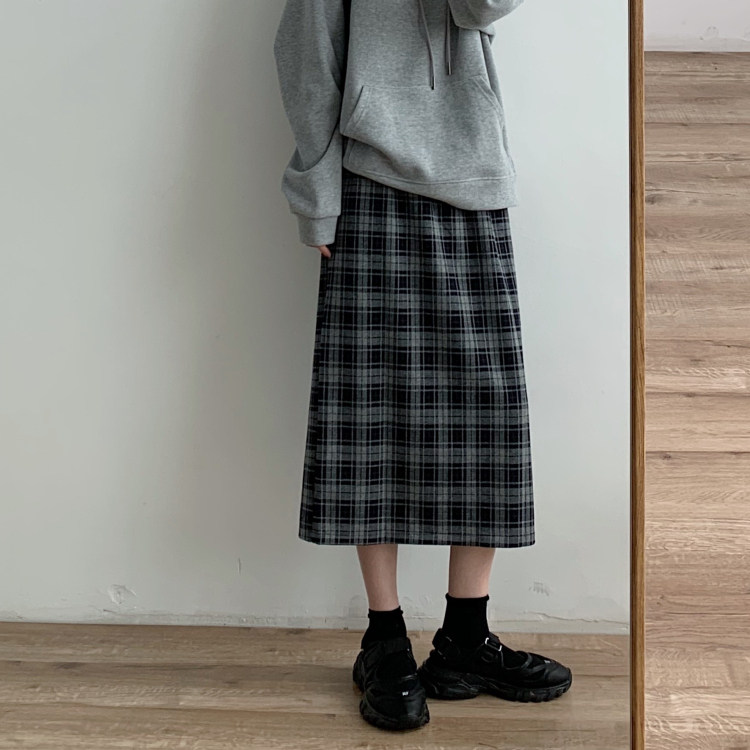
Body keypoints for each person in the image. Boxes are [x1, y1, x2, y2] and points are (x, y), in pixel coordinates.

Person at [273, 0, 572, 731]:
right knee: (367, 422)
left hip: (473, 175)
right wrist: (318, 197)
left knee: (488, 421)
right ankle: (383, 639)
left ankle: (465, 637)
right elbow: (307, 52)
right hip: (369, 179)